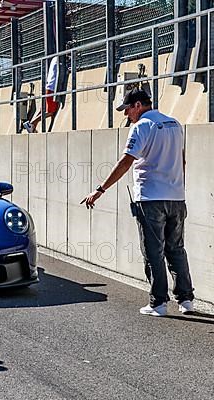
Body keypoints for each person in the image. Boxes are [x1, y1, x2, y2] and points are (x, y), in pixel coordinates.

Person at [80, 88, 194, 317]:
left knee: (153, 251)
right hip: (176, 197)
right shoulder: (174, 124)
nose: (127, 115)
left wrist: (101, 189)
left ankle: (158, 303)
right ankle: (186, 300)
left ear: (139, 105)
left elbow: (126, 161)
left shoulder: (142, 126)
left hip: (150, 198)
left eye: (128, 109)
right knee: (176, 249)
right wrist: (177, 188)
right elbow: (182, 160)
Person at [24, 56, 60, 133]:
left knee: (42, 109)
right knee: (51, 112)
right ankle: (32, 123)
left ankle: (32, 128)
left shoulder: (54, 59)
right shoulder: (59, 59)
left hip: (48, 87)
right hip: (52, 89)